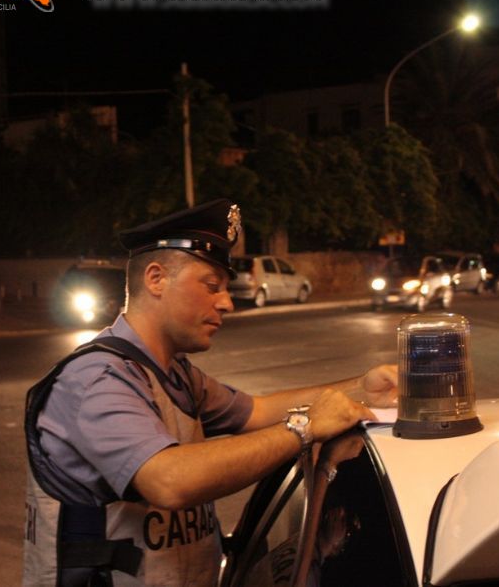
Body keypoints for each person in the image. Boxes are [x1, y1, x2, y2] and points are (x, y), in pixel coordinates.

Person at [23, 199, 397, 587]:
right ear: (156, 279)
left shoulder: (174, 374)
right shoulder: (97, 379)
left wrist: (359, 389)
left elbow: (255, 411)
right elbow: (169, 481)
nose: (227, 302)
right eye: (211, 286)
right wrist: (304, 428)